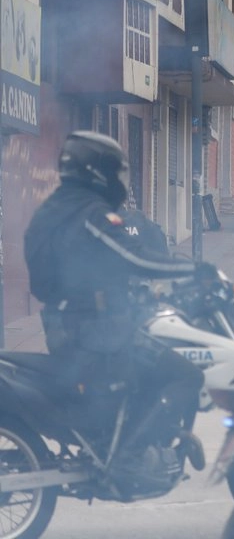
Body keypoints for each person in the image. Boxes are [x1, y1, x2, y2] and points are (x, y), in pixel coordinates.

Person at [24, 132, 210, 492]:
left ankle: (126, 444)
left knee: (142, 376)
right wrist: (194, 271)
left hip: (75, 325)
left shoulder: (55, 208)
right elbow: (134, 256)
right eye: (114, 171)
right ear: (97, 172)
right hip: (91, 331)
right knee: (182, 373)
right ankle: (130, 455)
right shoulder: (89, 213)